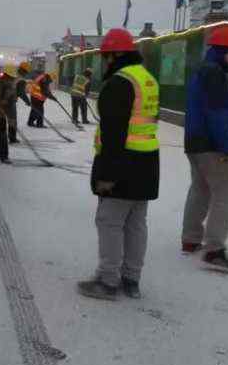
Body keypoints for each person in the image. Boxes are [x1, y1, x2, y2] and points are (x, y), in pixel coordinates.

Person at [79, 28, 160, 301]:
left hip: (122, 162)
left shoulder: (119, 83)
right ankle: (131, 279)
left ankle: (108, 280)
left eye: (105, 56)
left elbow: (114, 133)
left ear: (115, 55)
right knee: (136, 224)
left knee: (110, 222)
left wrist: (107, 174)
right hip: (147, 162)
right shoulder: (147, 79)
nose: (104, 61)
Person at [182, 23, 228, 272]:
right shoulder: (216, 75)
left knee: (200, 189)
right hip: (213, 145)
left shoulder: (201, 72)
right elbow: (219, 114)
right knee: (227, 193)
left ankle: (190, 239)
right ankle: (215, 249)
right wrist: (227, 147)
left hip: (194, 142)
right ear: (222, 51)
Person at [9, 61, 32, 143]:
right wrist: (28, 102)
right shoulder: (21, 80)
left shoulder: (13, 75)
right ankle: (12, 138)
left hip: (2, 100)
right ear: (25, 71)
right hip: (10, 102)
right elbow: (21, 93)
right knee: (12, 120)